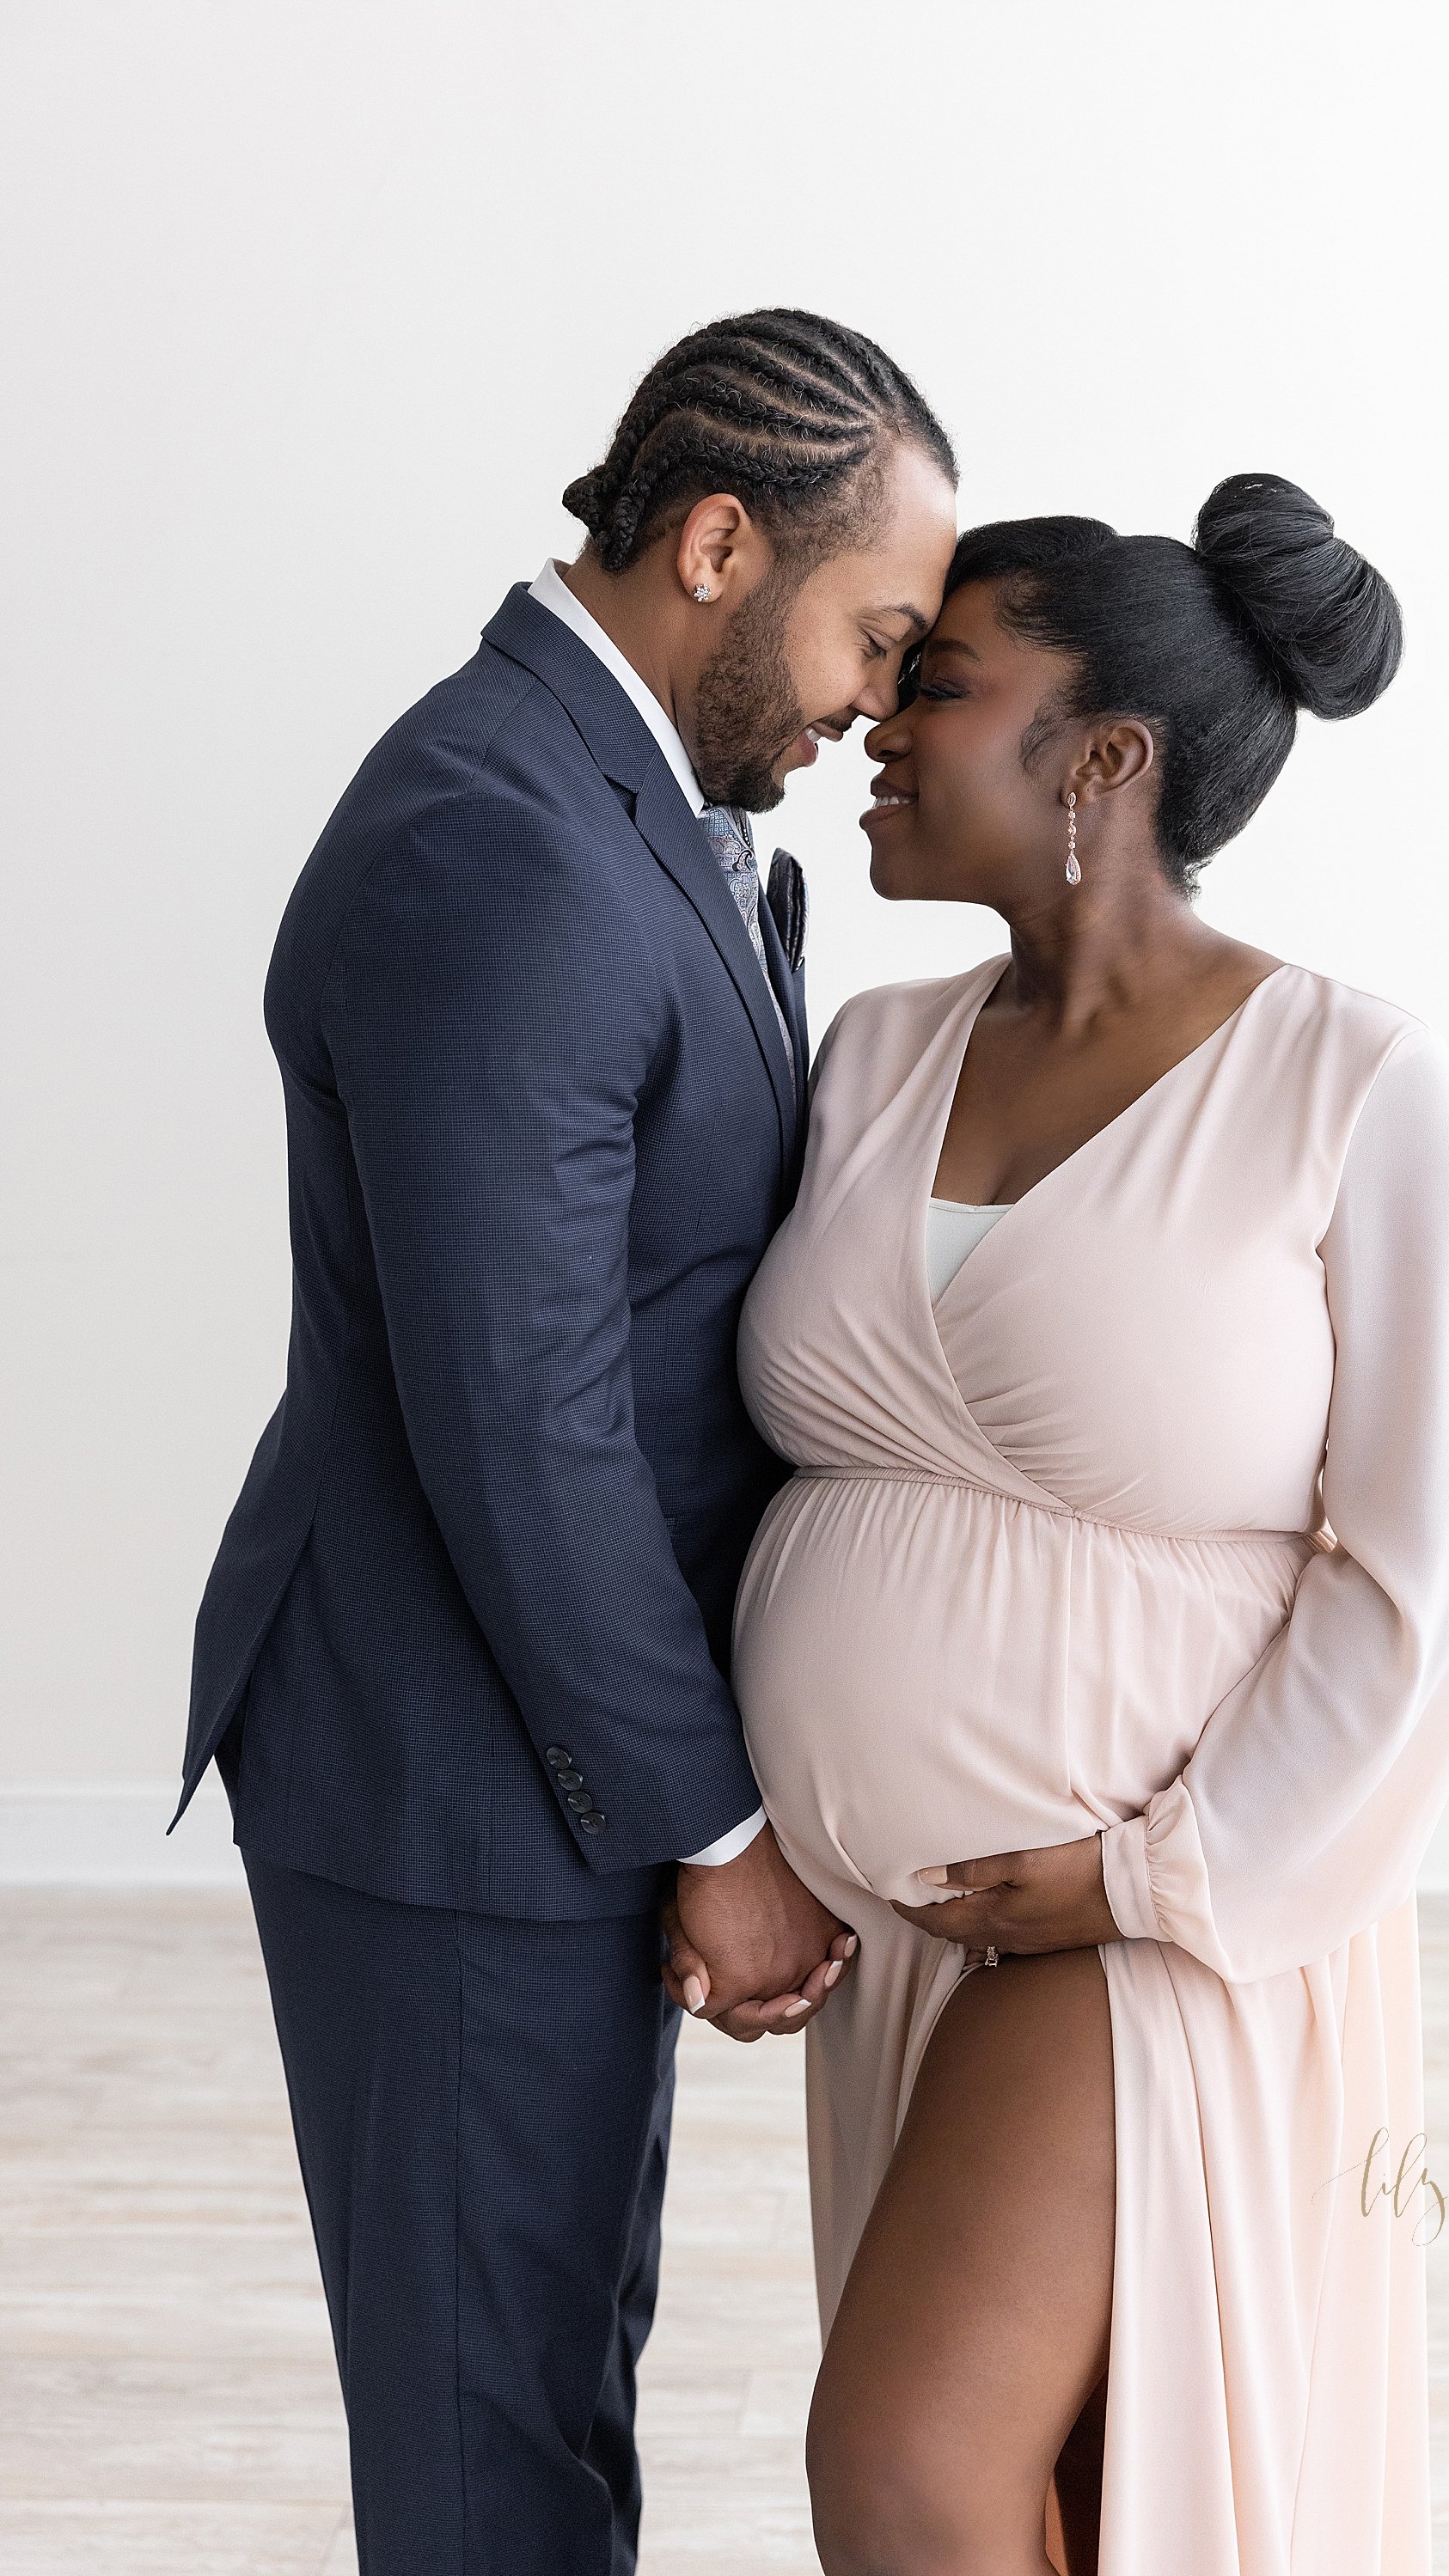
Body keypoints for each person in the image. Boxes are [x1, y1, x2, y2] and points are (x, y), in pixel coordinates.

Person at [174, 309, 958, 2576]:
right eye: (873, 634)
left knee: (545, 2388)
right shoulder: (494, 847)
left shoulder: (621, 802)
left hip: (550, 1757)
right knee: (488, 2444)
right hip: (454, 1764)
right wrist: (714, 1818)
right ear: (723, 542)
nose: (877, 706)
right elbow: (523, 1422)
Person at [704, 480, 1449, 2574]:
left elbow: (1419, 1577)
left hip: (1150, 1911)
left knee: (906, 2467)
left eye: (941, 683)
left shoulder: (1347, 1079)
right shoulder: (873, 1054)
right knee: (1048, 2491)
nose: (880, 717)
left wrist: (1157, 1869)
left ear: (1106, 758)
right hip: (905, 1930)